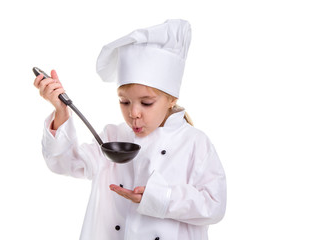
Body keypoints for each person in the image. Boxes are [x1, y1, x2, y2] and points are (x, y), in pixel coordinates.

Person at [34, 19, 226, 240]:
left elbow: (214, 205)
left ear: (171, 99)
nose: (134, 113)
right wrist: (61, 112)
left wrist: (159, 197)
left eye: (146, 103)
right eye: (124, 102)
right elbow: (64, 163)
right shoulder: (111, 138)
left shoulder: (194, 142)